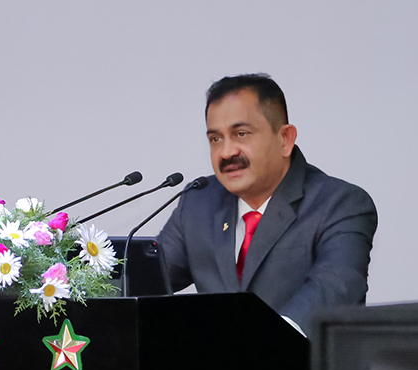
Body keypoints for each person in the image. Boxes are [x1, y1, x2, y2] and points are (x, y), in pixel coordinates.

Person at [157, 73, 377, 333]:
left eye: (241, 134)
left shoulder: (340, 203)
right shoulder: (198, 202)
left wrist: (267, 343)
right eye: (216, 139)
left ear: (285, 139)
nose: (226, 152)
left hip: (303, 358)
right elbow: (146, 278)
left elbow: (335, 287)